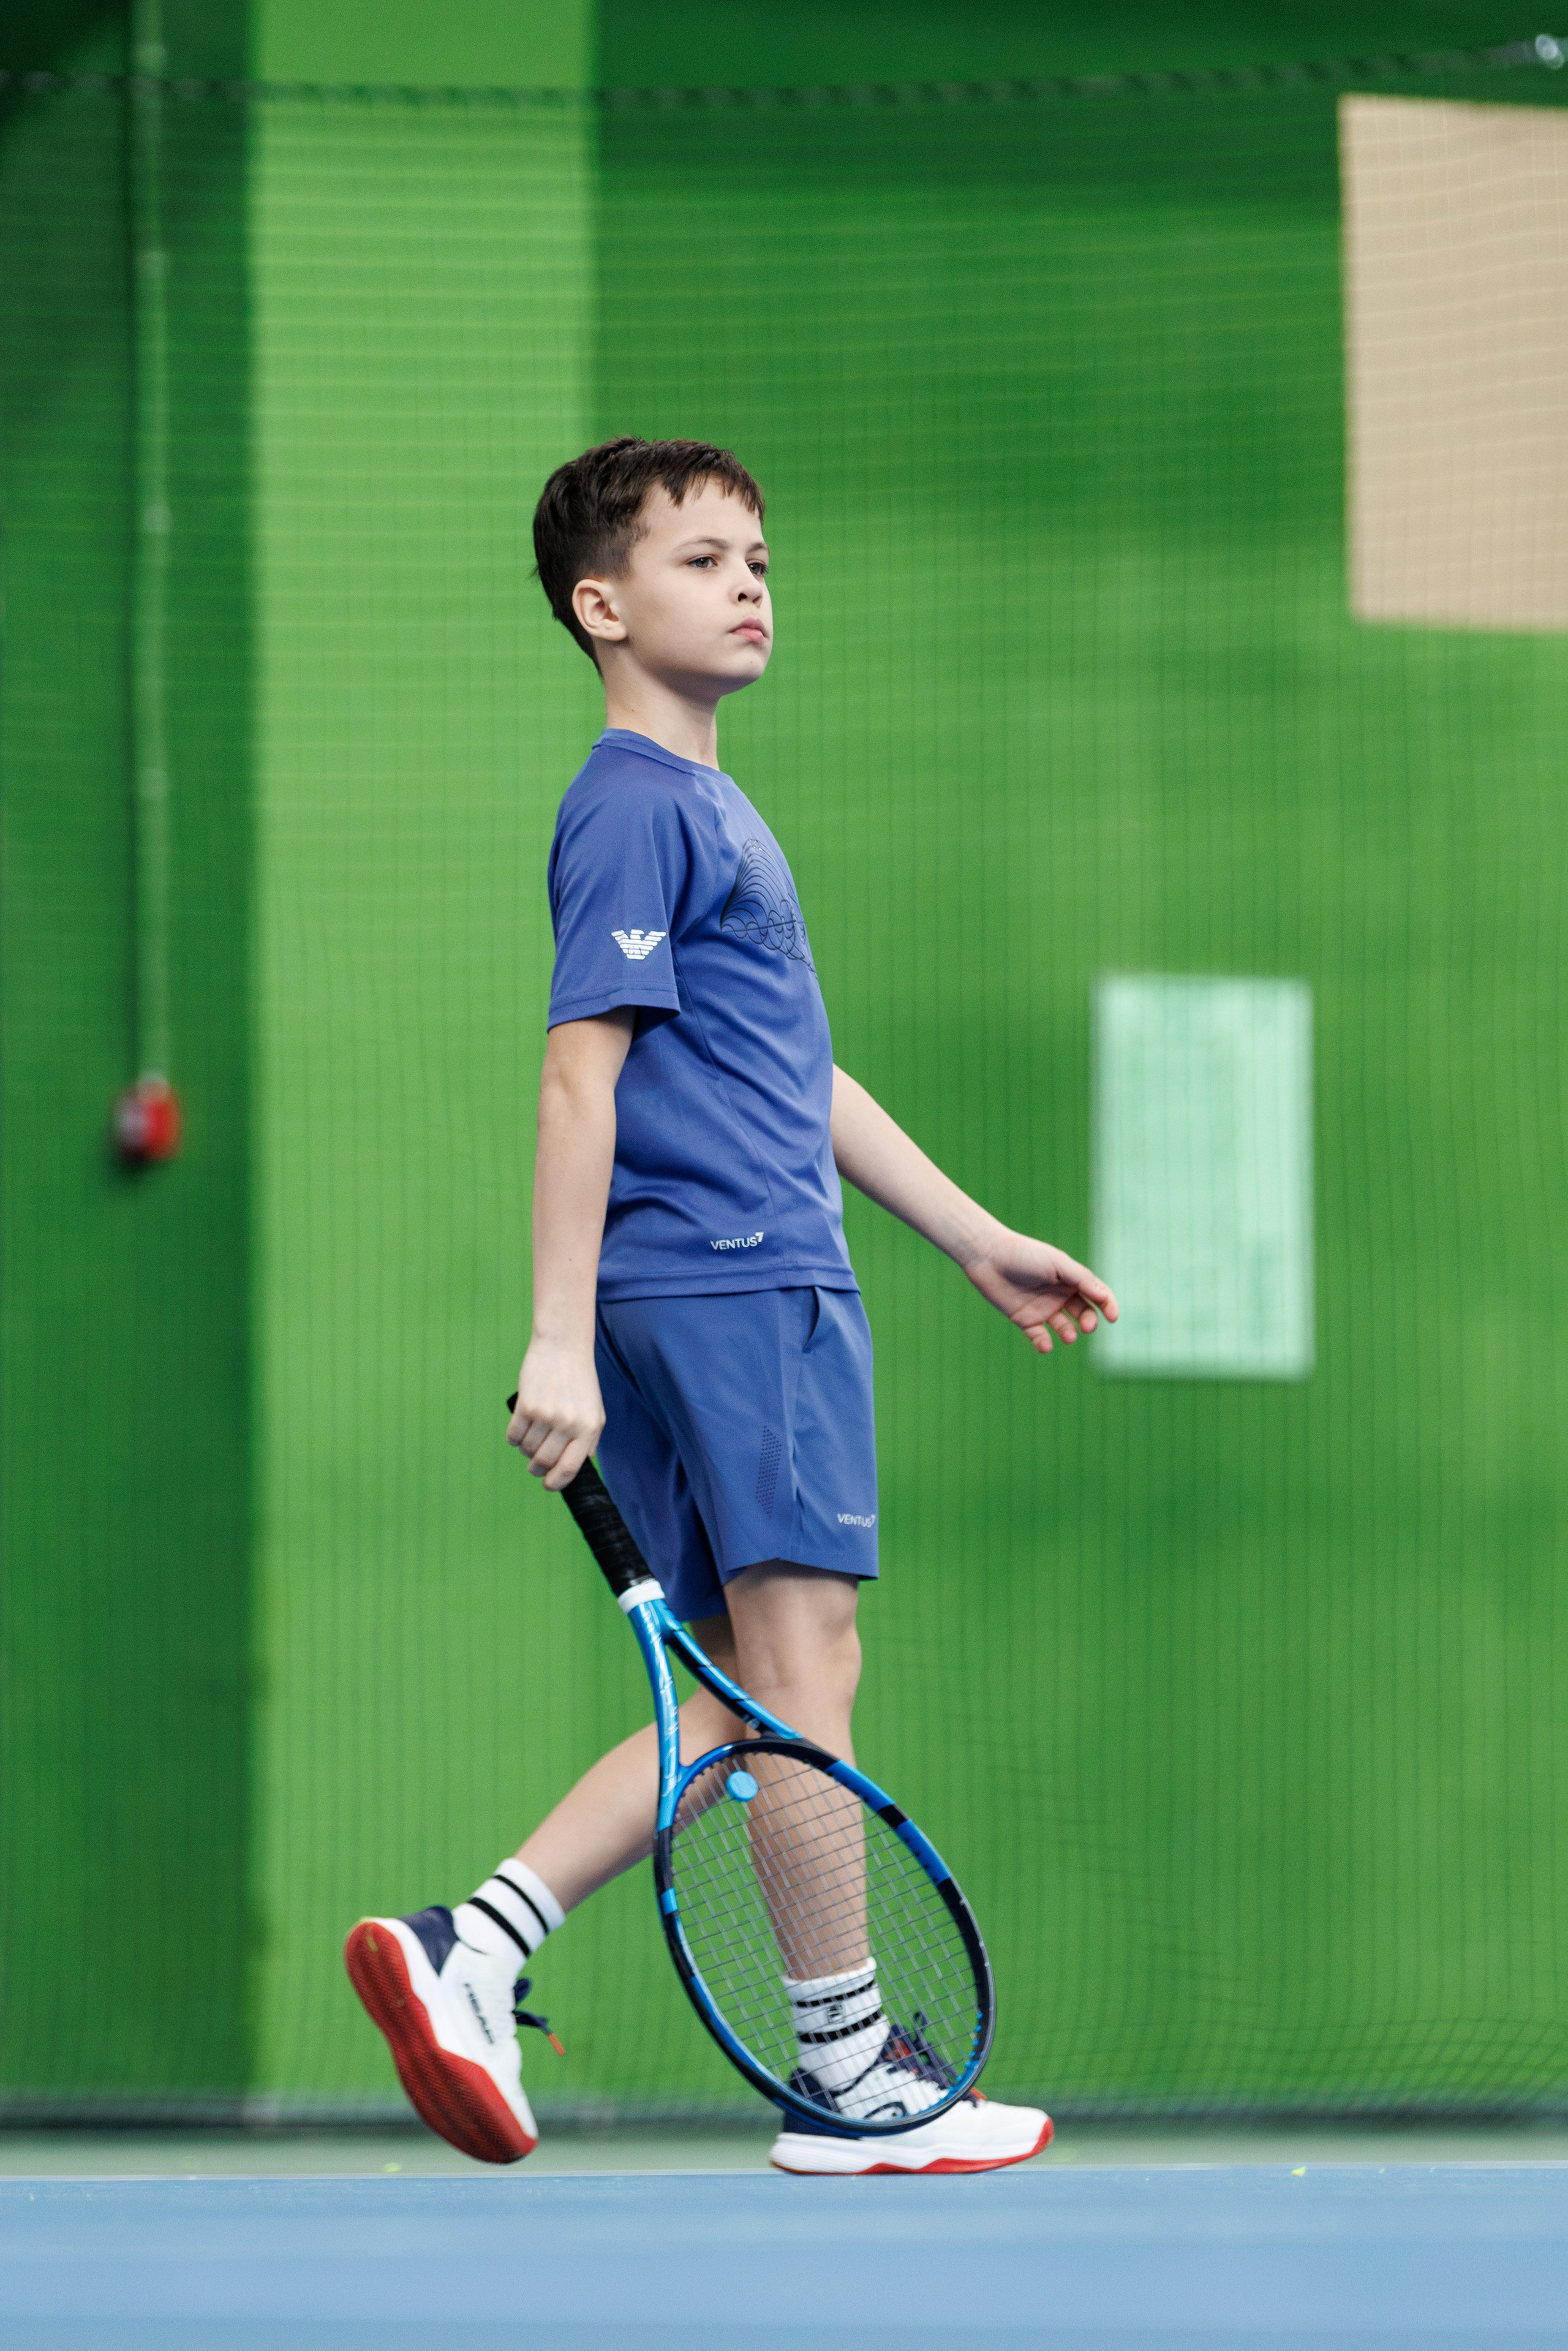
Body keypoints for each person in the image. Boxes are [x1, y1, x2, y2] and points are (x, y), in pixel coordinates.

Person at [345, 437, 1118, 2176]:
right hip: (731, 1282)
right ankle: (846, 2070)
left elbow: (798, 1071)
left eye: (759, 554)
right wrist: (557, 1336)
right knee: (808, 1669)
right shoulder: (632, 802)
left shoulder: (710, 810)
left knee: (746, 1699)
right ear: (600, 605)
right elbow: (575, 1076)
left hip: (741, 1275)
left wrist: (973, 1235)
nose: (751, 581)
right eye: (703, 559)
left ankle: (482, 1940)